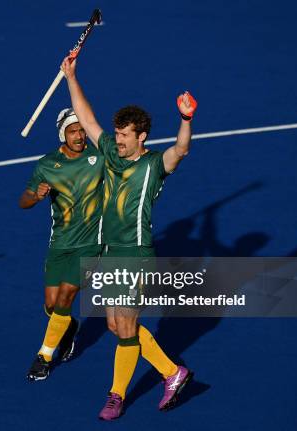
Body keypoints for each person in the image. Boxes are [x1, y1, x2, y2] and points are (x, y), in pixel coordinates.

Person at [61, 56, 198, 419]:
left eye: (124, 136)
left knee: (125, 325)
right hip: (108, 252)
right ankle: (173, 372)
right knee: (116, 324)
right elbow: (87, 118)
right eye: (117, 134)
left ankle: (117, 395)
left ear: (142, 137)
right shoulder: (110, 152)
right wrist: (71, 77)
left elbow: (181, 150)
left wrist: (185, 119)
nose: (117, 140)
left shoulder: (154, 166)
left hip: (134, 254)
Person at [20, 108, 104, 381]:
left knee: (67, 295)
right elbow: (24, 201)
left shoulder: (99, 157)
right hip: (60, 244)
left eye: (81, 130)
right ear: (62, 134)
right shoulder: (46, 165)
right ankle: (67, 327)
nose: (80, 136)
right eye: (73, 131)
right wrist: (37, 196)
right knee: (52, 306)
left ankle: (43, 356)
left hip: (91, 244)